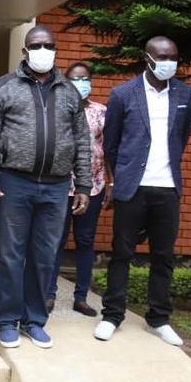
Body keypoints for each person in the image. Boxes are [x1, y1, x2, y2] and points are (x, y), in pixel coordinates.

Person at [0, 26, 91, 349]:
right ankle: (7, 319)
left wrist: (83, 183)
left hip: (55, 187)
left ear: (56, 50)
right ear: (25, 51)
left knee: (44, 256)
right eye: (36, 45)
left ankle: (35, 319)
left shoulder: (70, 92)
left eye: (49, 45)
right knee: (11, 255)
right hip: (14, 182)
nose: (44, 50)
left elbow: (81, 142)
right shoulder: (3, 87)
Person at [95, 36, 191, 346]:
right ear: (148, 58)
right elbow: (110, 143)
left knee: (163, 256)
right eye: (163, 57)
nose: (169, 63)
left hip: (167, 187)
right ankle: (112, 315)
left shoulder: (186, 94)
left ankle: (159, 318)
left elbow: (183, 135)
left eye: (174, 57)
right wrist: (118, 178)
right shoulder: (123, 94)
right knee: (121, 253)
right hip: (132, 188)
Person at [47, 62, 110, 317]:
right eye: (75, 79)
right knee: (55, 241)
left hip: (92, 187)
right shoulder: (56, 109)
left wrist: (111, 184)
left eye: (85, 79)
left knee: (85, 241)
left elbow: (109, 150)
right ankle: (48, 294)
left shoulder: (101, 112)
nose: (80, 83)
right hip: (60, 187)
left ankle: (81, 297)